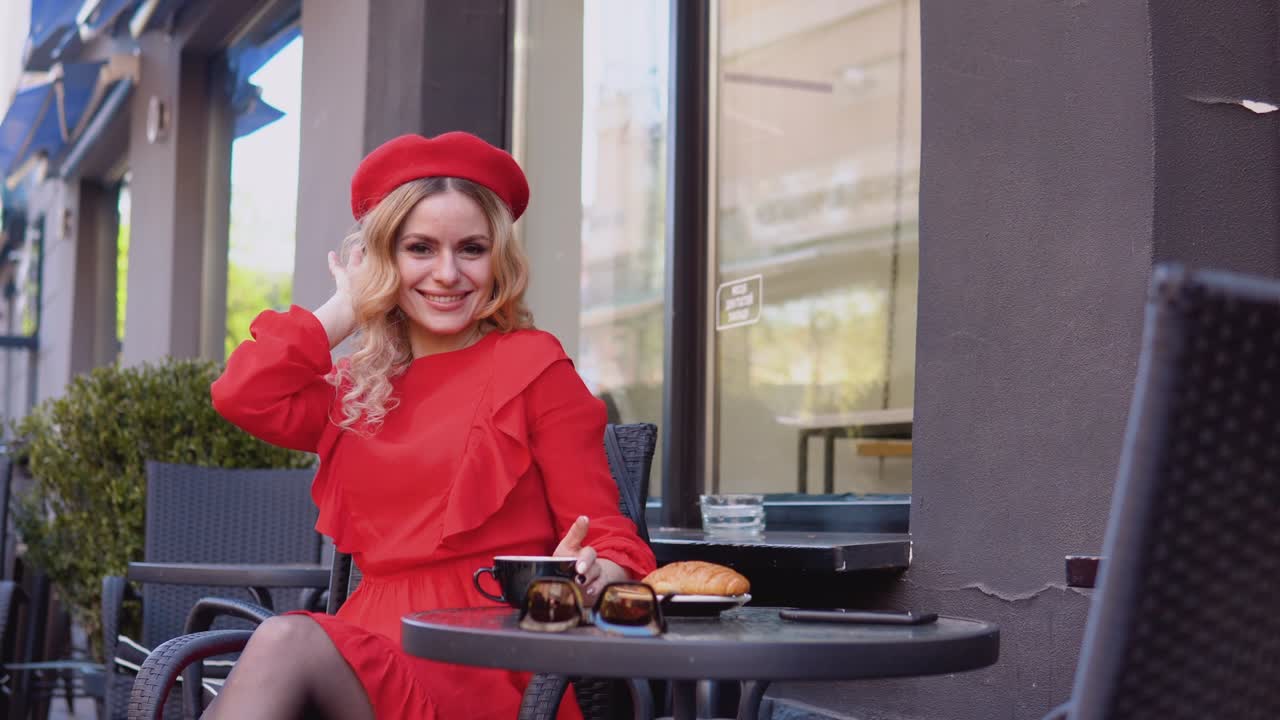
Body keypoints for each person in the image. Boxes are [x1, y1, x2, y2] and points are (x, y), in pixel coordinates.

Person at [208, 131, 656, 720]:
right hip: (361, 655)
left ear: (498, 258)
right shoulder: (359, 386)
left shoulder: (533, 367)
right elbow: (243, 394)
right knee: (287, 650)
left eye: (470, 248)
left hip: (484, 657)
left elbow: (611, 535)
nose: (447, 273)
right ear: (384, 258)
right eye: (420, 248)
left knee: (285, 640)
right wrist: (345, 309)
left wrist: (598, 571)